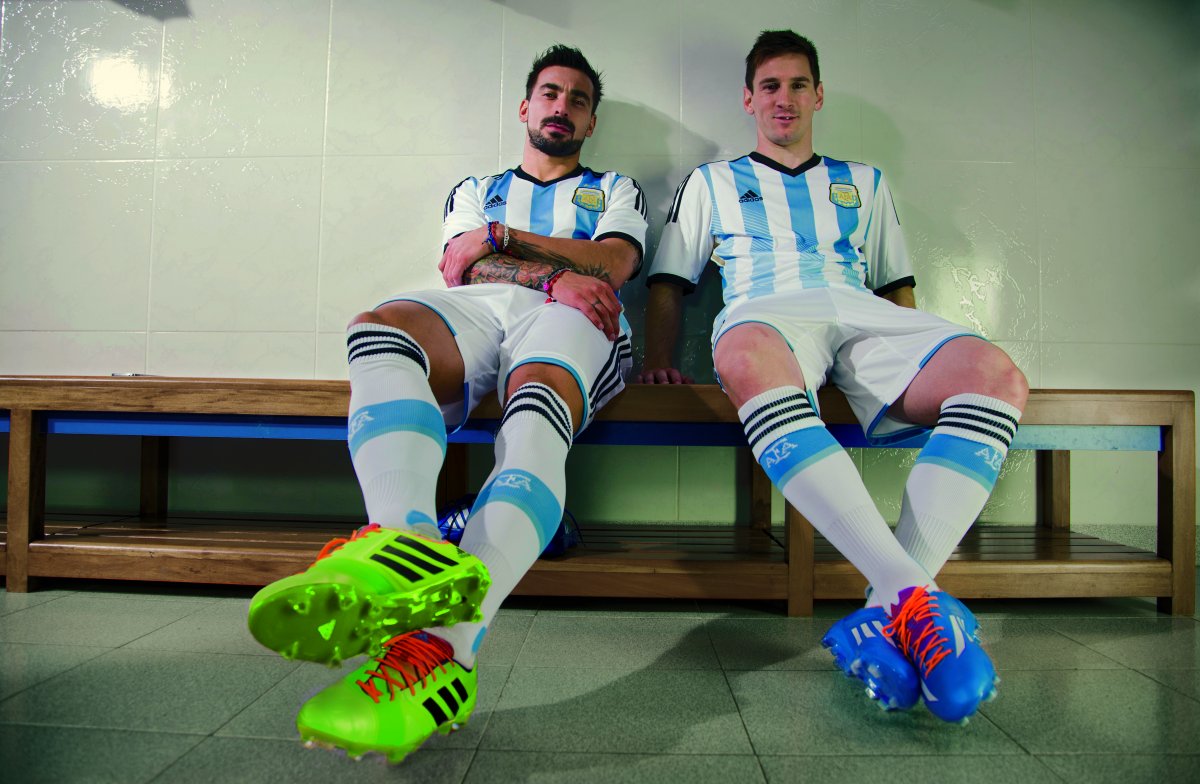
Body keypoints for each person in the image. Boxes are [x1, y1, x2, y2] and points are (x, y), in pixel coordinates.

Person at [247, 44, 647, 761]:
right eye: (550, 93)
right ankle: (407, 543)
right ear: (525, 107)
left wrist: (503, 239)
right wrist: (551, 270)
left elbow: (612, 262)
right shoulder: (475, 187)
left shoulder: (617, 187)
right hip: (487, 308)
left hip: (580, 317)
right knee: (379, 331)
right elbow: (463, 265)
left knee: (536, 408)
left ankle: (444, 652)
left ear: (591, 121)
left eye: (578, 99)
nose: (562, 106)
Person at [639, 30, 1027, 724]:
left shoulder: (864, 182)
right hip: (765, 309)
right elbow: (670, 280)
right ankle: (913, 600)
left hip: (859, 309)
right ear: (749, 99)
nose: (783, 98)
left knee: (996, 376)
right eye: (770, 86)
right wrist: (657, 360)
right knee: (744, 353)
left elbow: (895, 285)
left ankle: (887, 607)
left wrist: (907, 356)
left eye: (797, 85)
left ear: (818, 95)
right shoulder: (713, 182)